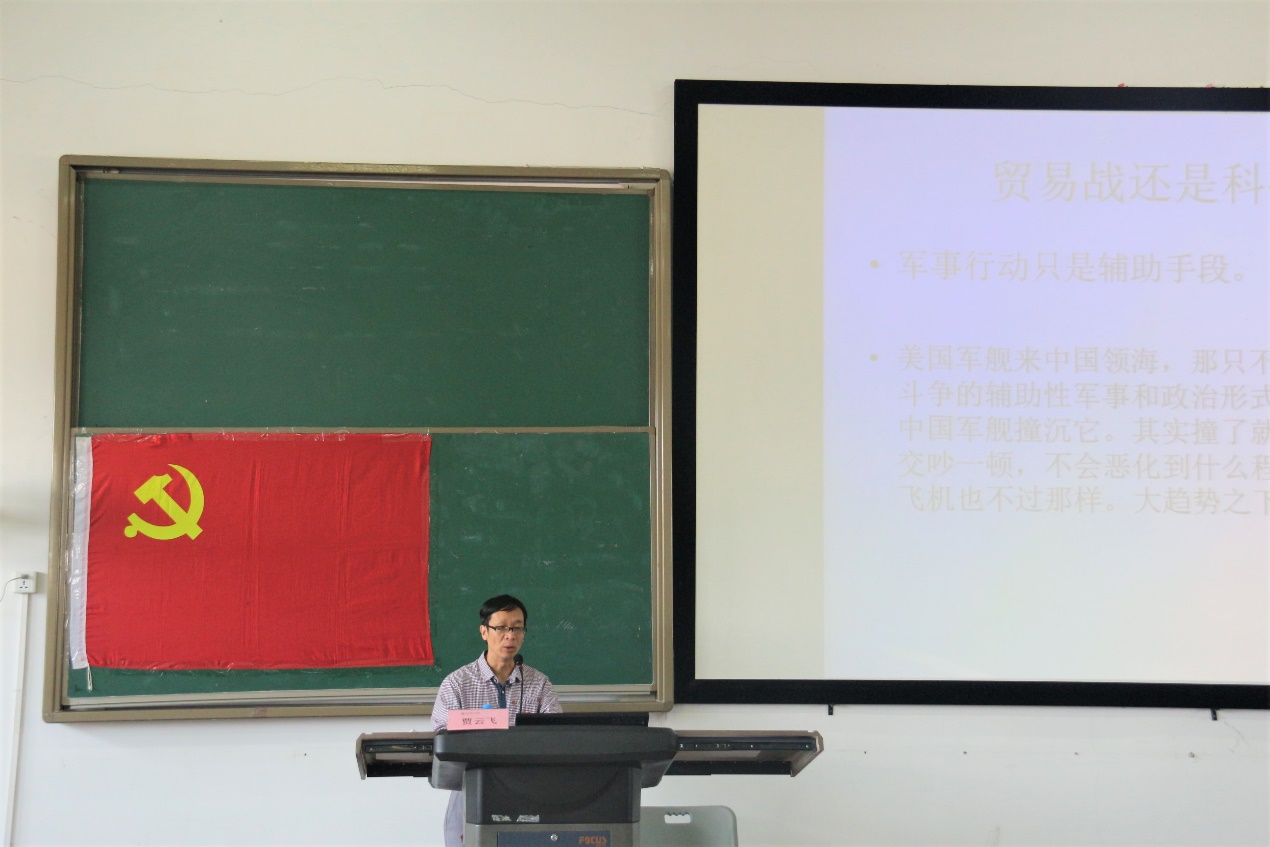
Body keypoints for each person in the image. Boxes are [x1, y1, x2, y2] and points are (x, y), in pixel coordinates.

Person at [430, 594, 561, 847]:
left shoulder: (539, 684)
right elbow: (443, 738)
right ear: (484, 631)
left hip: (528, 792)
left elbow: (556, 737)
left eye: (517, 628)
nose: (510, 635)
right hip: (471, 791)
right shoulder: (456, 683)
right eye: (501, 627)